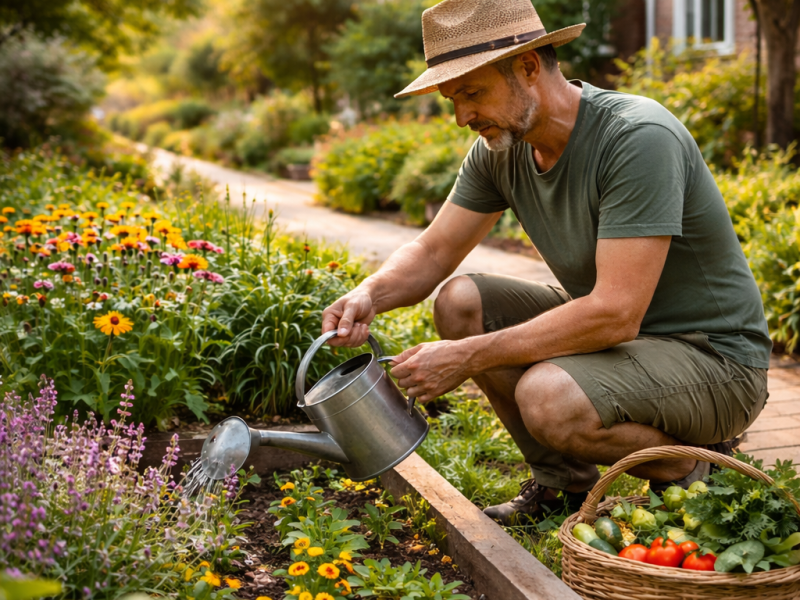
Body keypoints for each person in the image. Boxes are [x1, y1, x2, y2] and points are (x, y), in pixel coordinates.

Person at [321, 0, 771, 525]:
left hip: (715, 362)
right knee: (462, 302)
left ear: (529, 67)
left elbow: (614, 313)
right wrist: (367, 294)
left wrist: (468, 357)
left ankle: (694, 468)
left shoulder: (637, 137)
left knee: (549, 398)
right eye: (451, 98)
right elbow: (433, 251)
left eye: (471, 92)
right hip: (628, 345)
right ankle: (566, 486)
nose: (462, 116)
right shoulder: (501, 150)